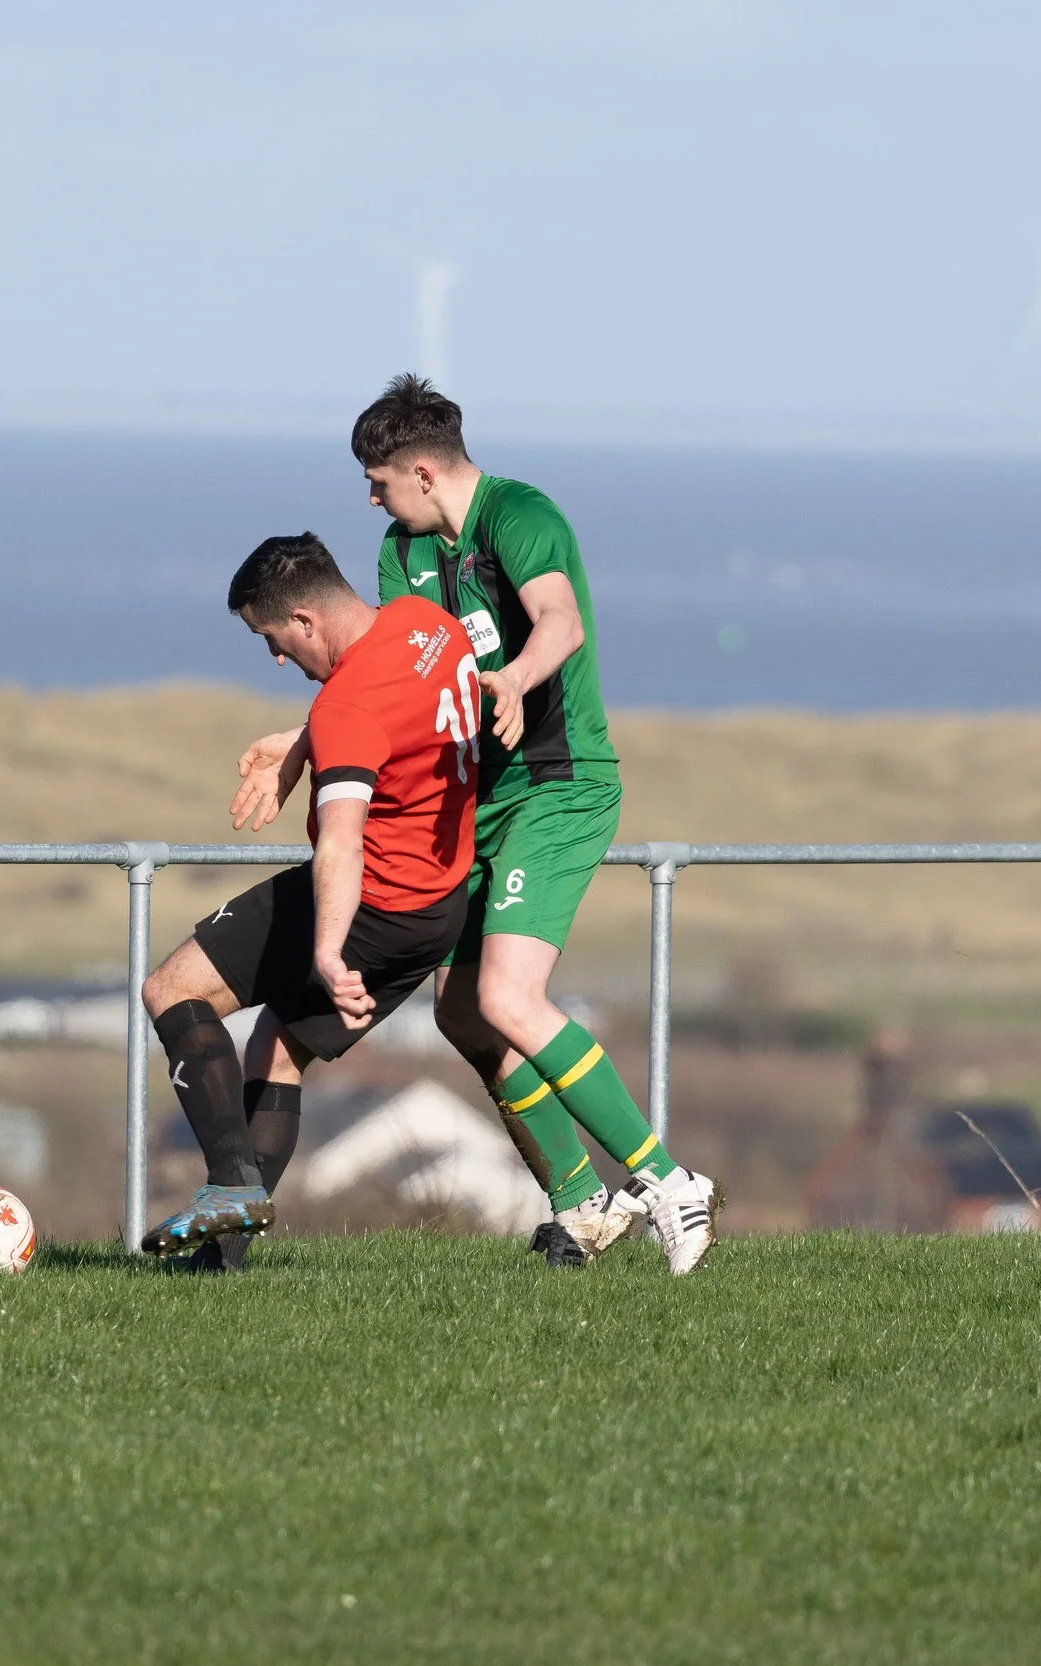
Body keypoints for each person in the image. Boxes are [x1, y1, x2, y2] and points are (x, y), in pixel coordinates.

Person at [232, 375, 719, 1274]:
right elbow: (384, 679)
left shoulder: (522, 516)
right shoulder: (400, 554)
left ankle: (667, 1181)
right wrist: (305, 743)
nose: (369, 497)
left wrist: (515, 680)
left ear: (423, 471)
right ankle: (583, 1200)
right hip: (477, 805)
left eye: (377, 481)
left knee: (507, 999)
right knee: (465, 1014)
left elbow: (560, 623)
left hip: (555, 786)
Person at [139, 532, 481, 1265]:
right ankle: (218, 1263)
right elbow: (405, 711)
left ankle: (232, 1183)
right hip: (435, 908)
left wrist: (327, 949)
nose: (276, 660)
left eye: (272, 640)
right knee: (279, 1049)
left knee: (172, 990)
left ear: (303, 621)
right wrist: (302, 744)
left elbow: (340, 841)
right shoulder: (430, 627)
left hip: (368, 901)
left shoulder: (345, 709)